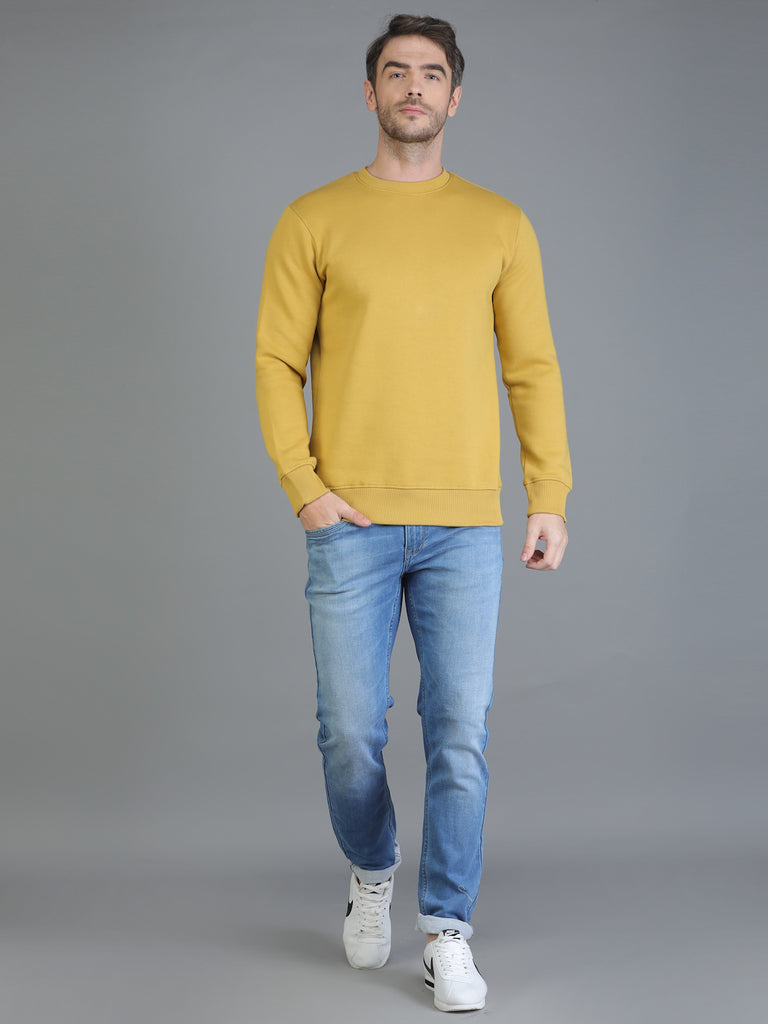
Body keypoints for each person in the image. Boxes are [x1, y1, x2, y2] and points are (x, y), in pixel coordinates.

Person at [255, 14, 571, 1012]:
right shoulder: (313, 218)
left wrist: (549, 494)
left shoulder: (500, 224)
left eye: (432, 74)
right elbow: (276, 361)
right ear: (371, 93)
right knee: (349, 732)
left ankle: (446, 931)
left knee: (459, 729)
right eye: (396, 73)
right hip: (347, 520)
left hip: (465, 527)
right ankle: (372, 867)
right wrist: (304, 485)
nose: (414, 87)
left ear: (455, 97)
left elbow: (532, 368)